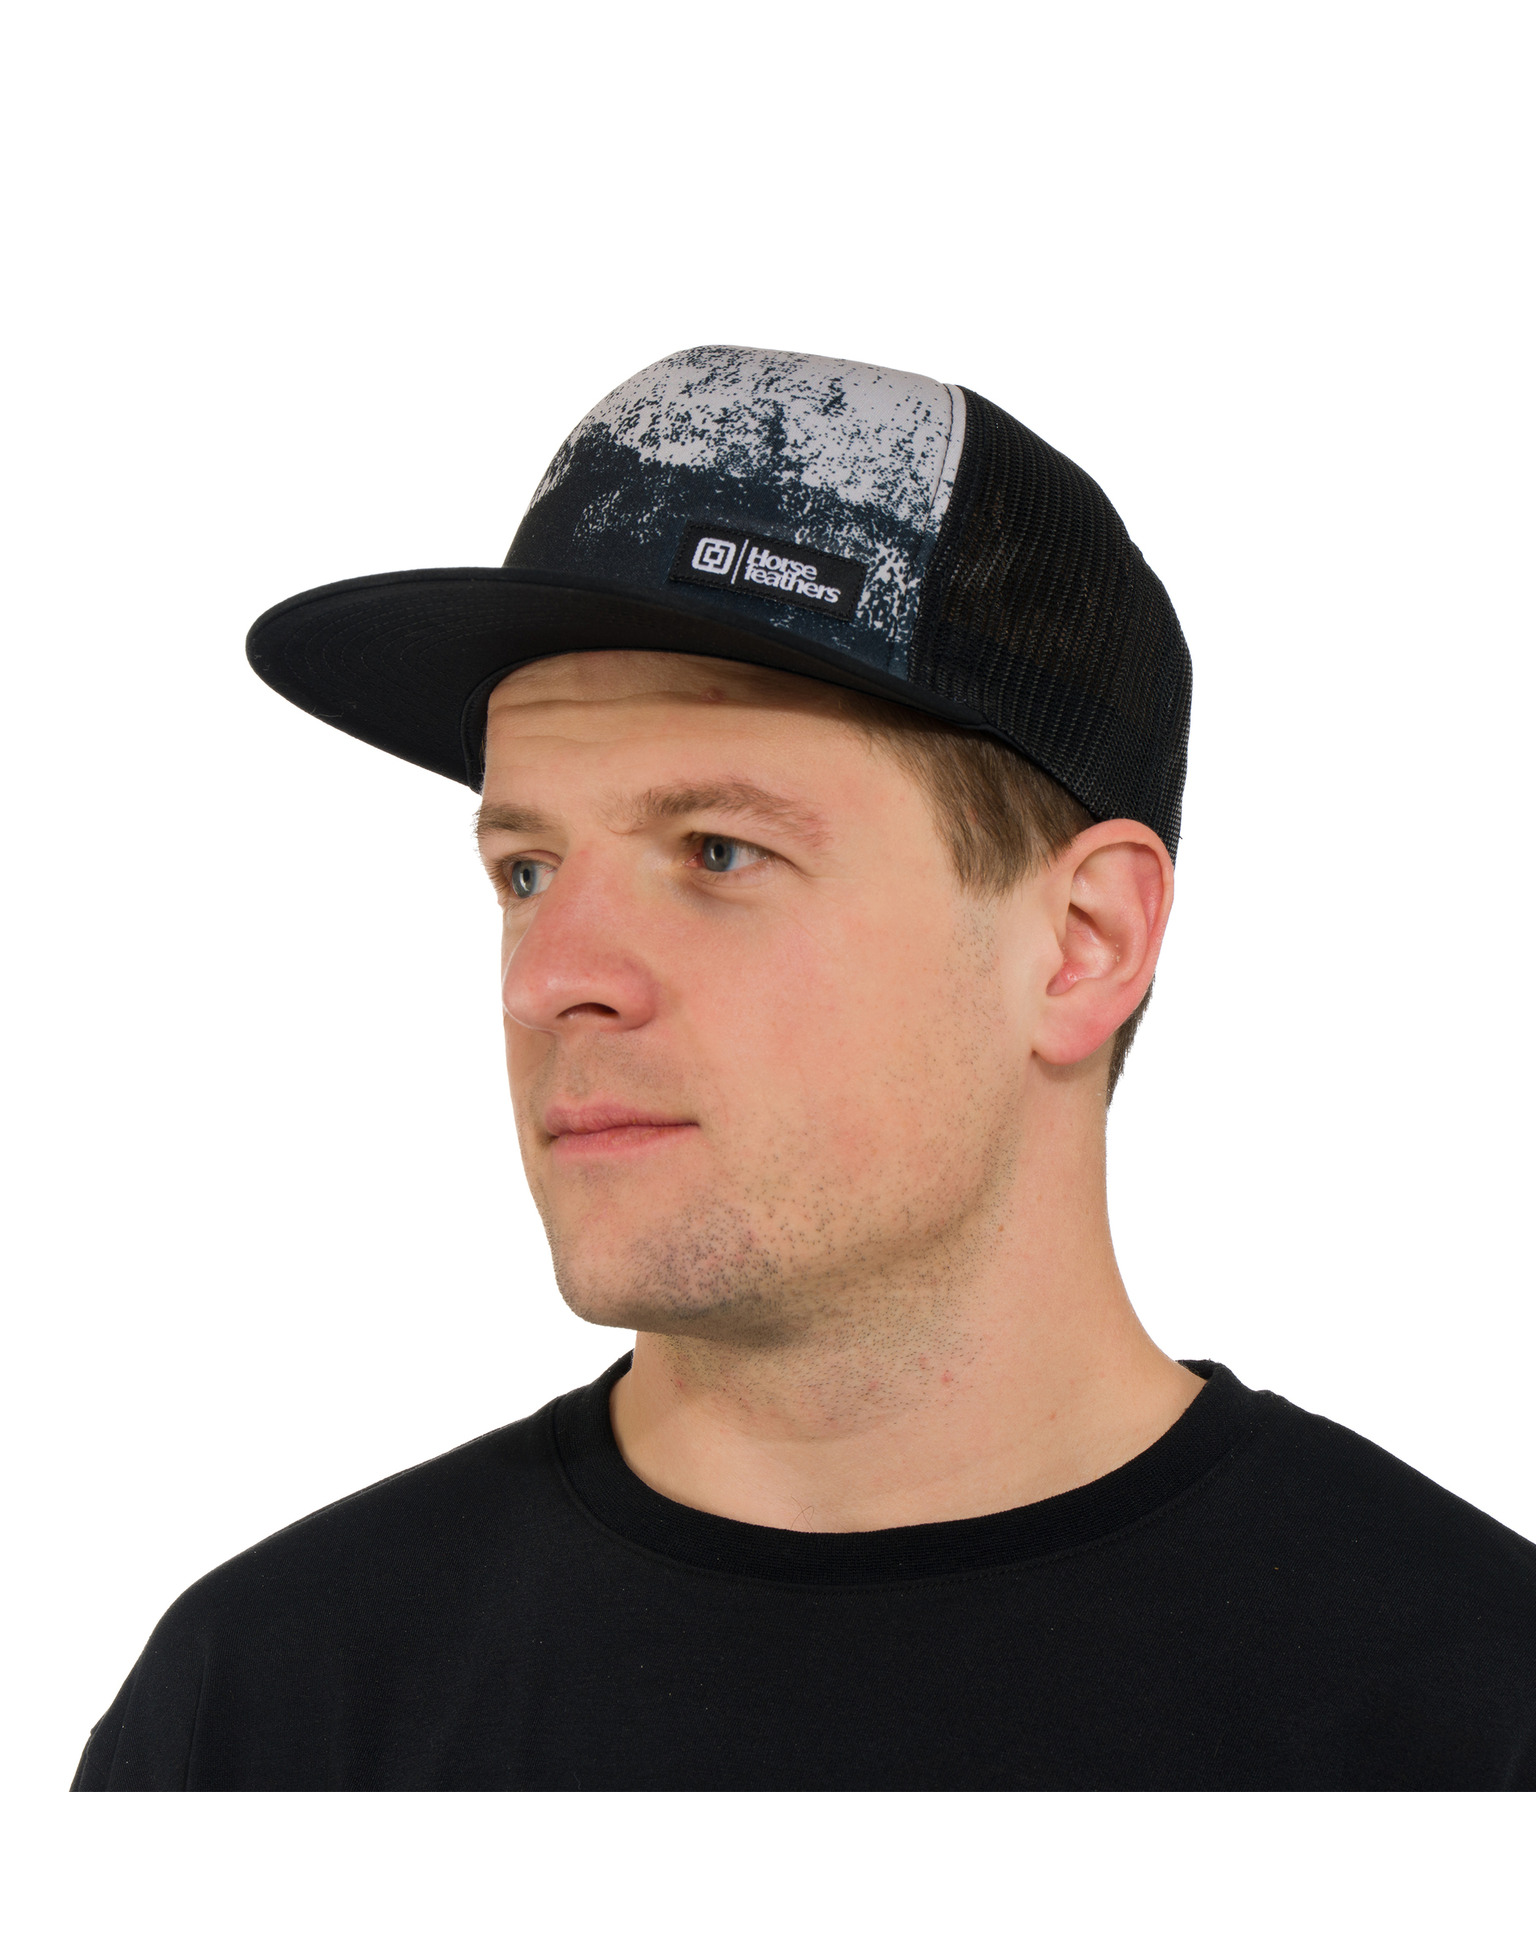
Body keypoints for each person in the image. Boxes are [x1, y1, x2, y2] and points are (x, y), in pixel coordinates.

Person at [73, 346, 1536, 1790]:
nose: (548, 977)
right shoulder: (273, 1715)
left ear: (1081, 943)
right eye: (526, 869)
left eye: (719, 851)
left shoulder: (1471, 1717)